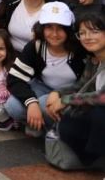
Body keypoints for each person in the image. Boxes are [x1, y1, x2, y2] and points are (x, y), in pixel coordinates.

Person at [5, 2, 85, 136]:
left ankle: (56, 131)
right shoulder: (35, 46)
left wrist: (58, 95)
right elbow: (14, 78)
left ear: (69, 29)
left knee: (43, 104)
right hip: (42, 86)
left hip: (71, 91)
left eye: (60, 28)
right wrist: (31, 103)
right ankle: (38, 124)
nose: (54, 34)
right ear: (42, 28)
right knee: (12, 105)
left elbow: (86, 83)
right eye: (49, 27)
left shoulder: (80, 49)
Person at [45, 10, 105, 169]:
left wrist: (65, 100)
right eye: (82, 33)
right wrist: (57, 93)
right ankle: (94, 160)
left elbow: (102, 97)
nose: (87, 37)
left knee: (99, 114)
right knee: (67, 123)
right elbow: (80, 86)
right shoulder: (94, 60)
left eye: (94, 31)